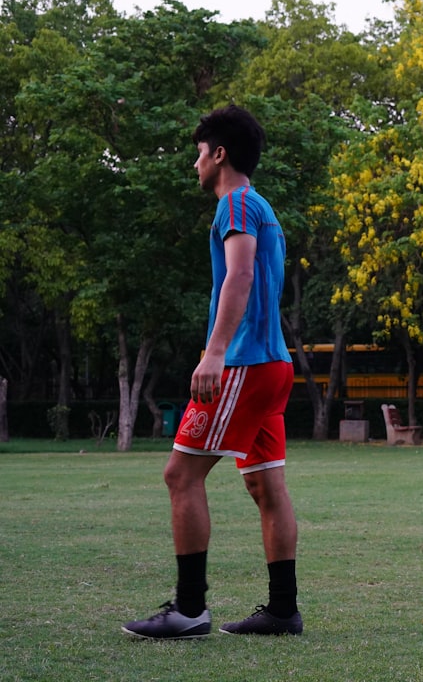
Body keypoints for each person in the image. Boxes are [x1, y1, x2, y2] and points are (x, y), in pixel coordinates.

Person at [123, 105, 302, 639]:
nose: (194, 164)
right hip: (275, 365)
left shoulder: (237, 204)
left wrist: (215, 351)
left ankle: (189, 608)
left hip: (245, 363)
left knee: (180, 475)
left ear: (219, 154)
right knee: (266, 486)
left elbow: (241, 274)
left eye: (199, 153)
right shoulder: (262, 206)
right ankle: (282, 610)